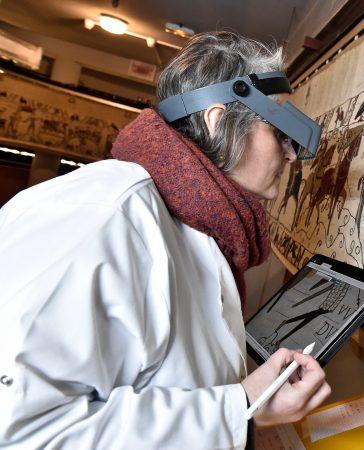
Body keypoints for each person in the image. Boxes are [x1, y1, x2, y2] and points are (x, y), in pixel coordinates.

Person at [0, 31, 330, 449]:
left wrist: (247, 402)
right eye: (278, 131)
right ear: (217, 120)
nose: (288, 154)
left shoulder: (200, 223)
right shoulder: (101, 217)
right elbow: (21, 430)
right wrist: (238, 409)